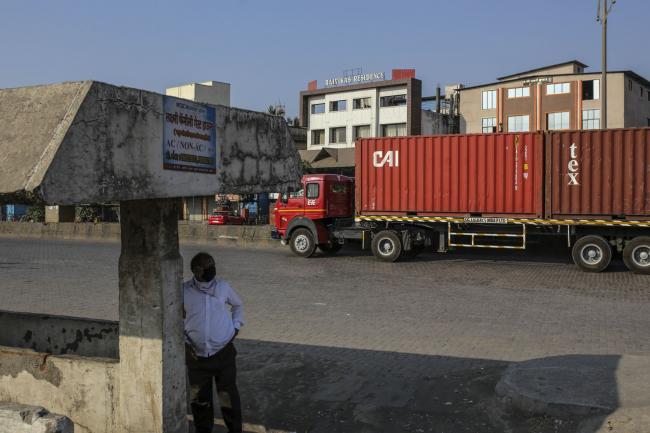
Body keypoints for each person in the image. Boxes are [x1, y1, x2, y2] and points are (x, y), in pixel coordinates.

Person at [184, 252, 244, 433]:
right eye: (206, 267)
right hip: (196, 357)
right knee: (200, 401)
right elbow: (175, 317)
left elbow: (238, 305)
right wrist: (185, 344)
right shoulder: (184, 291)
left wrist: (236, 327)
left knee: (228, 398)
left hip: (224, 353)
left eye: (212, 266)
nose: (211, 270)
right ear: (196, 271)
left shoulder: (223, 287)